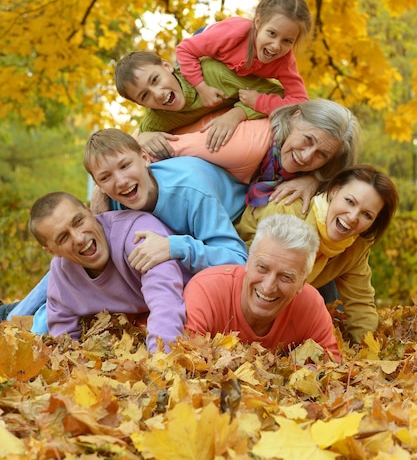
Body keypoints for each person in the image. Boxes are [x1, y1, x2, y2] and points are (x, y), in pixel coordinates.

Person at [6, 129, 250, 330]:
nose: (120, 181)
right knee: (69, 256)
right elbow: (67, 269)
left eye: (124, 166)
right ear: (99, 185)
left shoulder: (192, 191)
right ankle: (12, 316)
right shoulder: (118, 199)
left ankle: (13, 316)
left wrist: (174, 246)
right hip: (180, 246)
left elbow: (238, 260)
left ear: (145, 158)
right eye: (106, 177)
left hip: (233, 219)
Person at [236, 165, 399, 343]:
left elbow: (360, 302)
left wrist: (368, 353)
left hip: (290, 291)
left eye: (366, 214)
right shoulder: (288, 211)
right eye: (350, 201)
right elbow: (244, 271)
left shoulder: (356, 244)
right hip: (243, 282)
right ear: (334, 191)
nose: (353, 217)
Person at [28, 192, 192, 353]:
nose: (78, 238)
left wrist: (161, 362)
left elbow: (165, 300)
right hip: (141, 315)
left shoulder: (136, 233)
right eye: (63, 237)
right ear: (52, 251)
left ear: (89, 211)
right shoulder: (62, 273)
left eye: (78, 221)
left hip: (186, 296)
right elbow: (64, 341)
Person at [184, 214, 340, 360]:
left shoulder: (310, 305)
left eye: (285, 277)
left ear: (302, 283)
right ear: (248, 262)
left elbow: (331, 368)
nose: (268, 287)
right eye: (262, 268)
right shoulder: (206, 292)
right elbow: (184, 362)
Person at [176, 0, 311, 149]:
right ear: (258, 22)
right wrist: (201, 87)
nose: (276, 45)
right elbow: (185, 50)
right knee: (188, 91)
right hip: (207, 42)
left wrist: (259, 102)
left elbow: (300, 100)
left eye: (287, 41)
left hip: (237, 77)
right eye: (272, 33)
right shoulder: (232, 34)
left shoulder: (285, 60)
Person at [115, 50, 277, 179]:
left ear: (166, 66)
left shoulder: (213, 73)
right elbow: (138, 138)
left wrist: (237, 114)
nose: (157, 94)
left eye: (155, 79)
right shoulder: (158, 116)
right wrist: (144, 137)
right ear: (141, 104)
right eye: (144, 96)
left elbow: (278, 94)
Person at [245, 98, 362, 214]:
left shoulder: (315, 188)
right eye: (308, 139)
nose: (306, 157)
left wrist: (314, 182)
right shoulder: (253, 138)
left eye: (322, 154)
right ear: (295, 118)